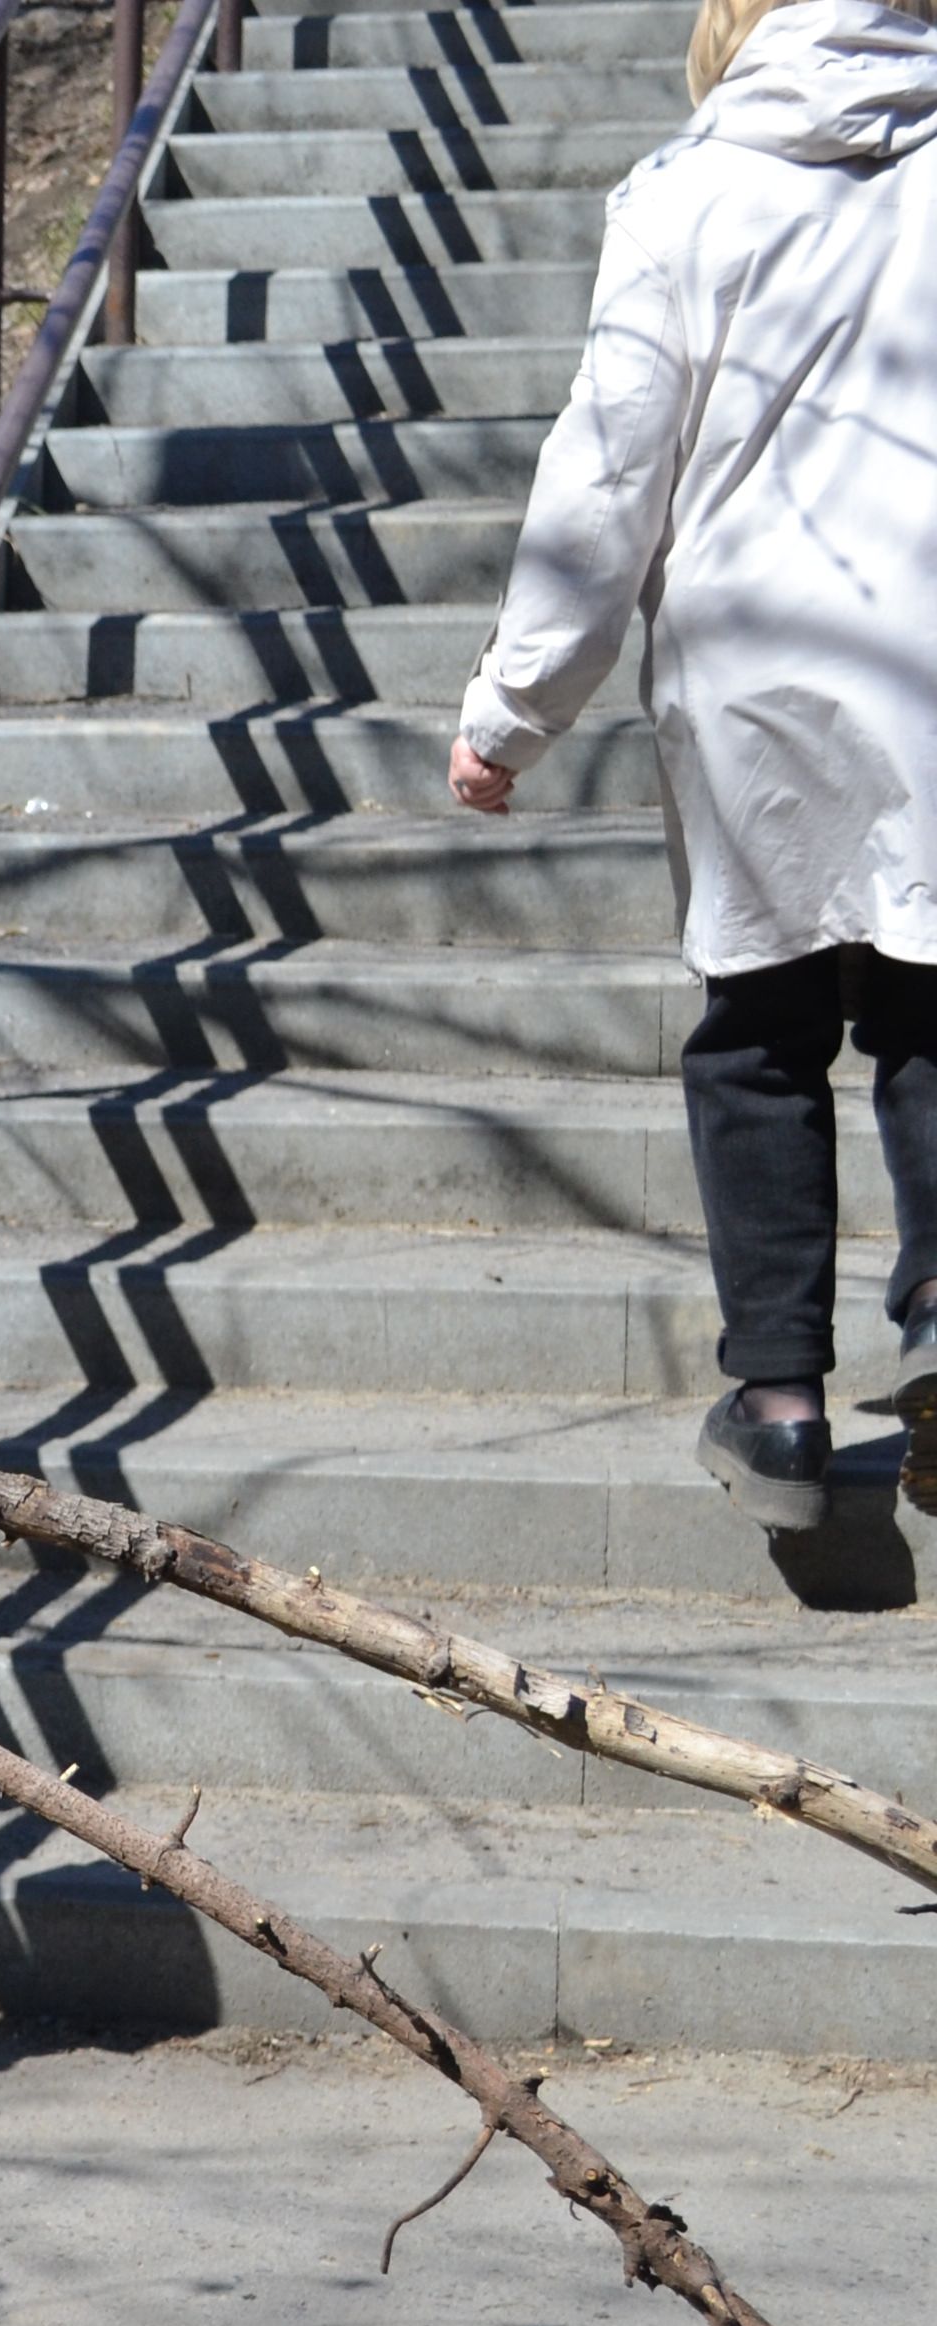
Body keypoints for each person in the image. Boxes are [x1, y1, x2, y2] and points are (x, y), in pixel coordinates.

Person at [451, 0, 937, 1529]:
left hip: (754, 673)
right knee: (933, 1011)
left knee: (760, 1034)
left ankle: (782, 1409)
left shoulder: (684, 192)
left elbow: (607, 474)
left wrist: (512, 709)